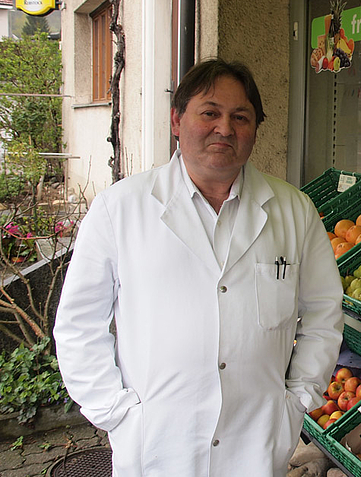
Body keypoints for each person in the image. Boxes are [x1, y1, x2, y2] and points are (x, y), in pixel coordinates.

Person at [54, 59, 344, 476]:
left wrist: (298, 400)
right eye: (210, 112)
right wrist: (117, 414)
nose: (225, 129)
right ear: (177, 120)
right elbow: (79, 326)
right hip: (156, 445)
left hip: (257, 445)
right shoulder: (120, 210)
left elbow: (322, 314)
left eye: (240, 117)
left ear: (254, 129)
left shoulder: (294, 211)